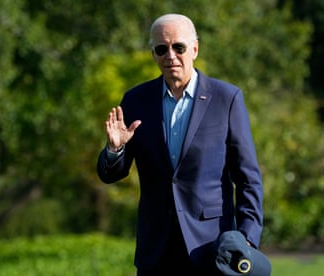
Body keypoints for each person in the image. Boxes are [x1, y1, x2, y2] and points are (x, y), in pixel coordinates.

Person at [97, 13, 264, 275]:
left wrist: (247, 236)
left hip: (212, 248)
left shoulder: (226, 98)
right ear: (153, 53)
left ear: (195, 49)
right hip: (156, 249)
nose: (170, 56)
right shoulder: (135, 100)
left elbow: (248, 177)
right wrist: (115, 149)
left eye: (179, 47)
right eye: (162, 48)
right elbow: (111, 174)